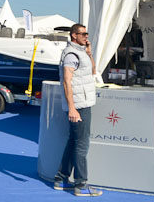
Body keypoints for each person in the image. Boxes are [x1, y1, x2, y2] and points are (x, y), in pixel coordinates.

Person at [53, 24, 102, 197]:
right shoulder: (71, 54)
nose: (86, 36)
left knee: (74, 141)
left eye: (87, 33)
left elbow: (93, 72)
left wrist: (89, 53)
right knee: (82, 144)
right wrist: (72, 108)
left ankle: (61, 178)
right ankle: (81, 185)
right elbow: (67, 81)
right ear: (74, 35)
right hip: (79, 105)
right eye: (83, 34)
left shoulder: (81, 53)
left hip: (83, 102)